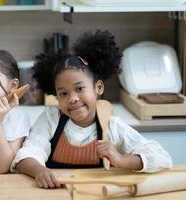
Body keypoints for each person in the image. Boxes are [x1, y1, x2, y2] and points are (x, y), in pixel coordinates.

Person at [11, 30, 173, 188]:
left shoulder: (111, 125)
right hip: (57, 192)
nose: (73, 98)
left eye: (80, 89)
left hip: (100, 193)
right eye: (63, 93)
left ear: (99, 87)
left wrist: (121, 159)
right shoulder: (50, 118)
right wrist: (40, 171)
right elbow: (25, 156)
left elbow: (161, 157)